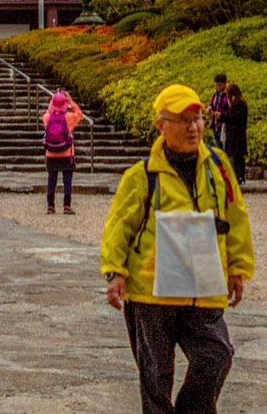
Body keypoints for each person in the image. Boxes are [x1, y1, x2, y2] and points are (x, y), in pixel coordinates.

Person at [102, 83, 255, 414]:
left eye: (198, 118)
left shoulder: (219, 167)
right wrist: (115, 272)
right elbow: (119, 227)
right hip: (151, 293)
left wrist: (237, 268)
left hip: (202, 284)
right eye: (183, 119)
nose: (194, 127)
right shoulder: (141, 176)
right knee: (156, 378)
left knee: (216, 355)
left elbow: (236, 217)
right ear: (161, 125)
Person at [43, 86, 84, 214]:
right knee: (67, 180)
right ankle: (66, 205)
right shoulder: (70, 117)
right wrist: (70, 101)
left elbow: (47, 112)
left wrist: (53, 101)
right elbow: (80, 114)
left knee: (52, 179)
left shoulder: (47, 118)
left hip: (51, 153)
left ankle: (51, 205)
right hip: (67, 153)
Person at [222, 84, 248, 181]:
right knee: (236, 156)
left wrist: (223, 116)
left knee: (238, 157)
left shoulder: (240, 104)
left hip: (237, 134)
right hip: (235, 135)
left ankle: (240, 176)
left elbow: (234, 117)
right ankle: (238, 176)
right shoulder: (234, 104)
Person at [207, 72, 230, 147]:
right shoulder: (215, 94)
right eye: (217, 85)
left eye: (219, 85)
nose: (218, 87)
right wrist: (210, 108)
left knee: (225, 152)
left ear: (224, 83)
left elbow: (231, 111)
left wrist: (221, 114)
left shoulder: (228, 95)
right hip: (215, 126)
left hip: (223, 127)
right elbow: (211, 104)